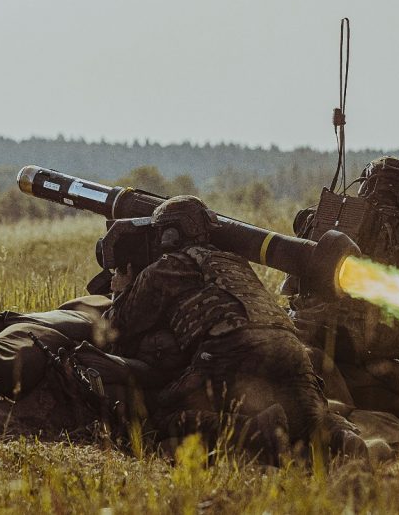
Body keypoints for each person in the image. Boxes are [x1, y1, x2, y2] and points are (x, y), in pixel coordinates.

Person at [107, 195, 365, 462]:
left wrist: (122, 289)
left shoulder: (167, 266)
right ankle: (342, 436)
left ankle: (259, 430)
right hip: (292, 349)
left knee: (162, 413)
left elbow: (117, 329)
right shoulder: (234, 261)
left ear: (169, 235)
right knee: (311, 421)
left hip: (232, 350)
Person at [284, 156, 399, 417]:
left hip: (306, 326)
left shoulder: (319, 217)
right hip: (359, 337)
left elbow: (291, 282)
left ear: (365, 184)